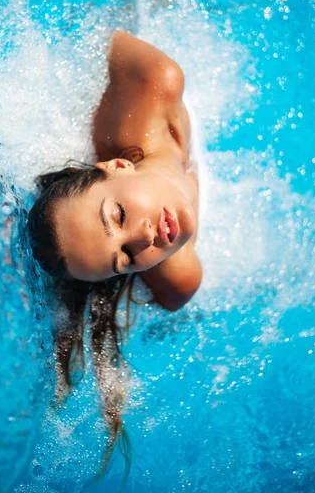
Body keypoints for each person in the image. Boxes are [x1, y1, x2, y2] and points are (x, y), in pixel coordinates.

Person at [27, 30, 202, 476]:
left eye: (119, 215)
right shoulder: (180, 277)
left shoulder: (155, 84)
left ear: (118, 166)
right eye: (123, 258)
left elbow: (101, 34)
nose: (143, 240)